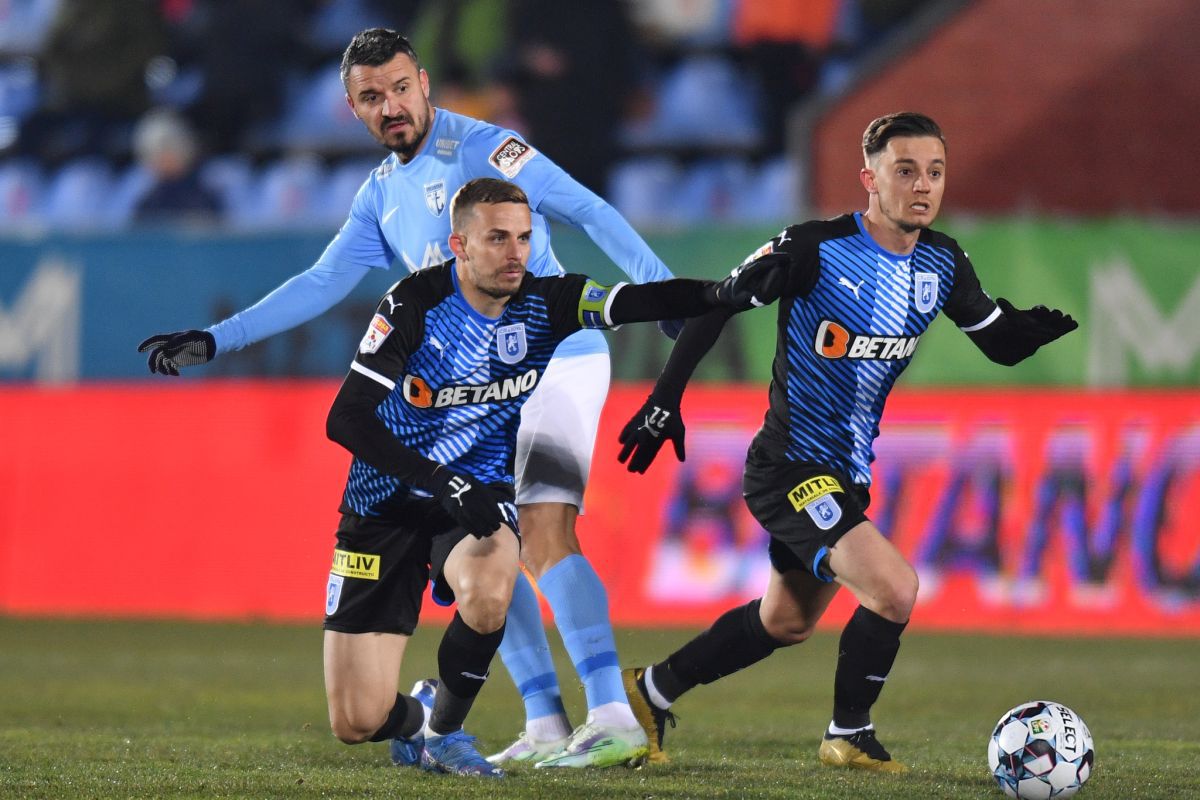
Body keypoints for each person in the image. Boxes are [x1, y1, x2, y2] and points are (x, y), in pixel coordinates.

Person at [137, 27, 684, 769]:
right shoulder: (379, 196)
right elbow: (321, 282)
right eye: (371, 96)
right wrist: (219, 337)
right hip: (483, 391)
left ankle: (613, 711)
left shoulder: (489, 150)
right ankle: (547, 719)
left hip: (556, 356)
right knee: (492, 532)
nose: (391, 105)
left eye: (399, 87)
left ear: (424, 83)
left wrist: (666, 294)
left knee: (541, 527)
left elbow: (589, 210)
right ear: (353, 108)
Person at [615, 112, 1078, 771]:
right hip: (788, 468)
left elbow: (994, 337)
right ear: (870, 178)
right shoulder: (815, 248)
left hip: (848, 472)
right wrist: (665, 398)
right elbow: (716, 303)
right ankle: (848, 733)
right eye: (906, 170)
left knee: (786, 622)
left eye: (936, 172)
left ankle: (651, 690)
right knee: (893, 589)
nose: (923, 186)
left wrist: (1027, 331)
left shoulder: (942, 261)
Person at [320, 177, 788, 777]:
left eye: (523, 236)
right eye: (497, 238)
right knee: (355, 720)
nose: (515, 252)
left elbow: (639, 302)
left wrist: (725, 291)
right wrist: (438, 479)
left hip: (473, 505)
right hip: (385, 506)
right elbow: (347, 418)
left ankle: (445, 733)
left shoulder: (550, 301)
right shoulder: (415, 303)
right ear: (458, 244)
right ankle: (420, 716)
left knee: (492, 580)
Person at [131, 108, 222, 225]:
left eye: (168, 148)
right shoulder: (148, 198)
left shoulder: (204, 192)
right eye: (156, 151)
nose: (163, 157)